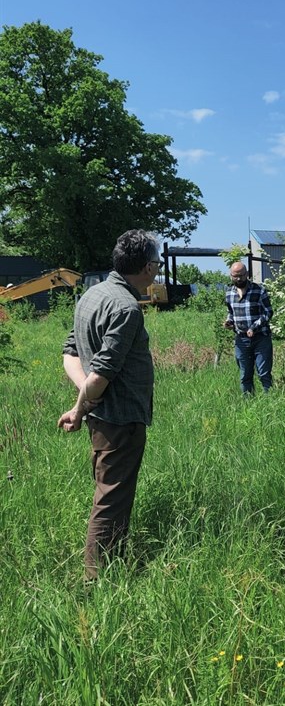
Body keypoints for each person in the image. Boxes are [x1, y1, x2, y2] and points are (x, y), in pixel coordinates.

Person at [58, 230, 160, 581]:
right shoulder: (127, 307)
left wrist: (80, 404)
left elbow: (70, 354)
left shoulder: (92, 293)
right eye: (157, 265)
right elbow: (100, 375)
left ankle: (105, 567)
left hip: (102, 417)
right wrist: (83, 402)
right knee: (112, 500)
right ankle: (98, 579)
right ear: (147, 267)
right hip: (120, 418)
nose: (157, 271)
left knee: (107, 490)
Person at [223, 261, 274, 394]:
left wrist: (254, 327)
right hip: (241, 340)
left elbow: (268, 312)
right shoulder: (229, 293)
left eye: (241, 275)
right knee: (245, 374)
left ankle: (269, 401)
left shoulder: (259, 290)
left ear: (247, 274)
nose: (239, 279)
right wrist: (229, 322)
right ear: (231, 276)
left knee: (264, 373)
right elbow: (231, 313)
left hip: (261, 338)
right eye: (235, 276)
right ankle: (248, 402)